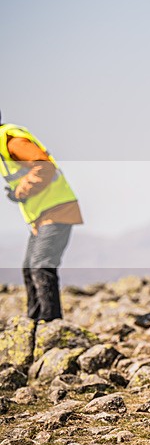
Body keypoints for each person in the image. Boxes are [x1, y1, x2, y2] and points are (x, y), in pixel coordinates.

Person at [0, 112, 83, 322]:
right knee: (30, 267)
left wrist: (20, 191)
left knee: (41, 265)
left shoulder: (12, 141)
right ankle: (34, 322)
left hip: (57, 210)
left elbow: (44, 167)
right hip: (42, 215)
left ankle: (51, 323)